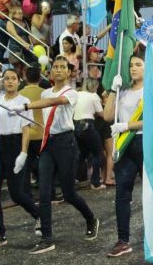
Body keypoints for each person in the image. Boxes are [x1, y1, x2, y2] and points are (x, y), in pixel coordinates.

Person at [11, 56, 99, 254]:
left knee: (69, 194)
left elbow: (55, 101)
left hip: (66, 143)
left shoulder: (71, 92)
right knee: (43, 191)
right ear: (50, 72)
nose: (58, 70)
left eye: (62, 67)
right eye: (55, 67)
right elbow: (44, 105)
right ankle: (47, 238)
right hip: (48, 142)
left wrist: (26, 106)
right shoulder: (45, 91)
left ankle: (91, 218)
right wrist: (18, 110)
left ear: (68, 72)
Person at [0, 70, 40, 246]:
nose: (10, 82)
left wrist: (24, 152)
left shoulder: (24, 102)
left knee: (16, 193)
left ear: (19, 82)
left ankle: (39, 215)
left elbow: (26, 129)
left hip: (16, 144)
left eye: (13, 79)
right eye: (6, 79)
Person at [104, 55, 145, 257]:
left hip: (145, 142)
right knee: (122, 194)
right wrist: (113, 90)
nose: (133, 68)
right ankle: (123, 240)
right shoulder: (123, 91)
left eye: (138, 64)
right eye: (130, 65)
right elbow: (107, 116)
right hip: (124, 145)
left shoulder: (152, 90)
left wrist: (128, 125)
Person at [74, 79, 105, 191]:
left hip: (76, 125)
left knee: (81, 155)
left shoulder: (77, 94)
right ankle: (95, 182)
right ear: (94, 87)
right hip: (88, 125)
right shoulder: (94, 96)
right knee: (98, 153)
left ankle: (72, 179)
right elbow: (102, 114)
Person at [19, 66, 44, 196]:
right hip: (42, 133)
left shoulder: (20, 94)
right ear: (40, 78)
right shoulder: (44, 93)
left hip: (26, 135)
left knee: (26, 167)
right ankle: (47, 192)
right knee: (46, 165)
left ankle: (27, 195)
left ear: (25, 77)